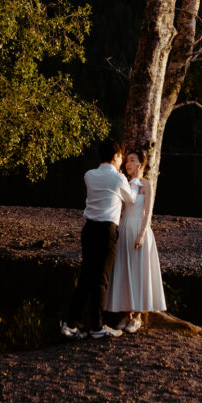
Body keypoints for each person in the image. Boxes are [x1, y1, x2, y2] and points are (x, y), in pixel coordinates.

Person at [61, 138, 135, 340]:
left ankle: (70, 324)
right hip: (106, 231)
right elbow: (131, 200)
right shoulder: (118, 179)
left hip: (89, 229)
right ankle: (97, 327)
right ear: (115, 157)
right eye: (120, 157)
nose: (121, 160)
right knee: (101, 279)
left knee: (86, 278)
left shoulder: (89, 175)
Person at [104, 148, 166, 332]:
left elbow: (148, 212)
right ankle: (126, 314)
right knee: (124, 270)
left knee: (140, 271)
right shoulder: (125, 183)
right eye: (127, 160)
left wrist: (141, 234)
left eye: (132, 160)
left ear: (141, 164)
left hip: (140, 229)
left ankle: (138, 315)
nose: (128, 163)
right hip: (124, 228)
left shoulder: (146, 185)